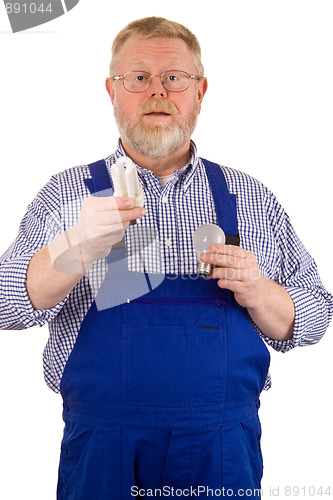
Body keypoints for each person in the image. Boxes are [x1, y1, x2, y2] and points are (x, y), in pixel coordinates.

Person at [0, 16, 332, 500]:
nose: (157, 91)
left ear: (200, 91)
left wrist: (260, 291)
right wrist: (75, 247)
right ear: (111, 92)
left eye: (174, 78)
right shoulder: (67, 194)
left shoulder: (250, 197)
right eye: (137, 78)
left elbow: (316, 317)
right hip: (101, 452)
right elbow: (6, 307)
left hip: (220, 453)